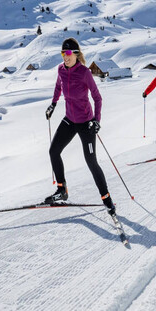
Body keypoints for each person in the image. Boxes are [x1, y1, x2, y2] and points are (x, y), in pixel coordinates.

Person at [45, 38, 116, 216]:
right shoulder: (61, 70)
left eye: (68, 53)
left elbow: (97, 98)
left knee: (91, 161)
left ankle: (107, 198)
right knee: (54, 151)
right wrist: (53, 104)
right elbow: (58, 86)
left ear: (76, 54)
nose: (65, 57)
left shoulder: (85, 73)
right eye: (63, 53)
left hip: (86, 123)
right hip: (69, 119)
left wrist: (96, 120)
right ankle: (62, 189)